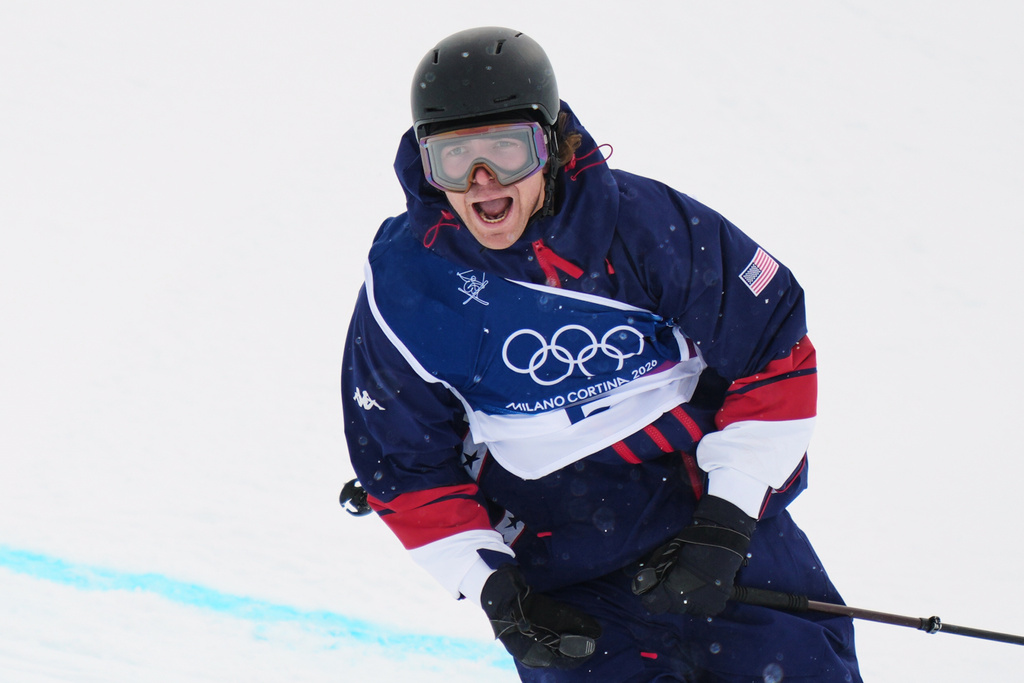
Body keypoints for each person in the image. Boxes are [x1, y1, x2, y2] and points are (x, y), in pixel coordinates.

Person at [341, 26, 862, 682]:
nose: (481, 183)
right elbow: (400, 464)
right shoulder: (407, 288)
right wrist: (499, 593)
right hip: (561, 567)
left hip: (706, 519)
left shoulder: (643, 227)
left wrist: (727, 520)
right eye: (453, 159)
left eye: (506, 151)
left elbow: (774, 348)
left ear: (550, 145)